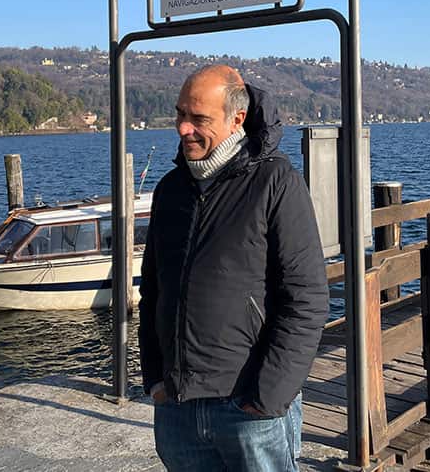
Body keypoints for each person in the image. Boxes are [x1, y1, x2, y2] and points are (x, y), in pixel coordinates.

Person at [139, 64, 329, 471]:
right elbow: (152, 290)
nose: (183, 129)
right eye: (180, 115)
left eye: (199, 119)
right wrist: (155, 378)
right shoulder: (170, 191)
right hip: (177, 407)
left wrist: (267, 397)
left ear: (236, 118)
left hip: (248, 407)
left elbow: (307, 299)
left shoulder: (275, 182)